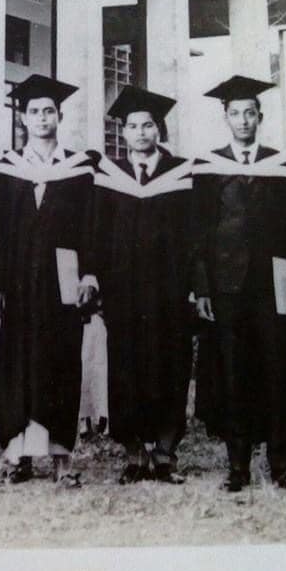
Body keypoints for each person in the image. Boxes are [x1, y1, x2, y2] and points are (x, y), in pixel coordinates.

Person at [191, 75, 286, 493]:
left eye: (249, 113)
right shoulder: (209, 167)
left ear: (261, 116)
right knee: (233, 373)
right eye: (235, 113)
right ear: (225, 118)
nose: (243, 120)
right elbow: (198, 234)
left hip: (273, 284)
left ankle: (281, 464)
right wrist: (202, 288)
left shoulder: (282, 165)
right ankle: (237, 466)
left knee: (277, 370)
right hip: (226, 287)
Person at [0, 74, 99, 489]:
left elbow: (90, 227)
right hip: (17, 279)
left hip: (62, 277)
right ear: (23, 118)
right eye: (34, 111)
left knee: (60, 361)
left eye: (49, 111)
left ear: (59, 116)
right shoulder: (6, 168)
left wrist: (89, 275)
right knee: (17, 363)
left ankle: (62, 459)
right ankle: (19, 456)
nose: (42, 118)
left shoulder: (79, 169)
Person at [91, 86, 194, 485]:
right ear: (123, 132)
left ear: (158, 129)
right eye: (132, 126)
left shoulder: (181, 173)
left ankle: (165, 453)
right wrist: (95, 278)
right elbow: (96, 232)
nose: (140, 133)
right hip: (123, 290)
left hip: (169, 291)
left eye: (147, 125)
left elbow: (194, 235)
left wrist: (192, 286)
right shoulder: (109, 174)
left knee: (170, 365)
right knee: (126, 367)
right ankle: (134, 453)